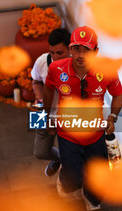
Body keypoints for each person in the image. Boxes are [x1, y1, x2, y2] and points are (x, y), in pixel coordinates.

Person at [43, 26, 122, 211]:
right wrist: (45, 117)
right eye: (76, 48)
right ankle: (66, 178)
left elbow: (118, 94)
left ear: (96, 51)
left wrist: (112, 117)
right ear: (70, 49)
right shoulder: (56, 68)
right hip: (67, 133)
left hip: (95, 133)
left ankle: (91, 197)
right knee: (73, 180)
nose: (80, 55)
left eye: (86, 50)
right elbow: (47, 89)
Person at [31, 28, 71, 176]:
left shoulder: (78, 67)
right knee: (39, 152)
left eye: (59, 53)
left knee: (71, 151)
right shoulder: (42, 61)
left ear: (70, 49)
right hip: (44, 110)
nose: (54, 58)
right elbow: (35, 81)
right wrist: (39, 99)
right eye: (52, 52)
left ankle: (67, 163)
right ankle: (58, 158)